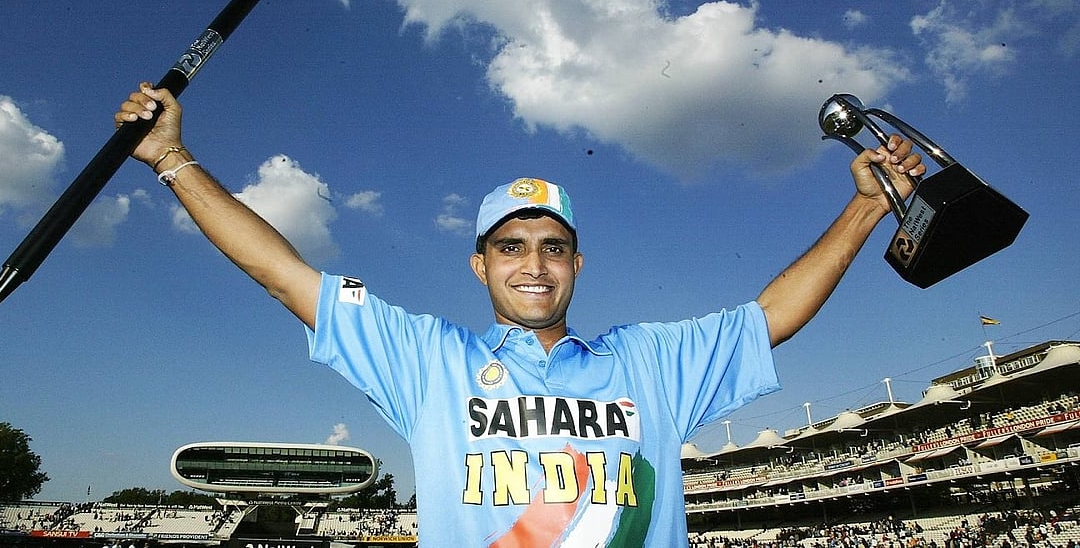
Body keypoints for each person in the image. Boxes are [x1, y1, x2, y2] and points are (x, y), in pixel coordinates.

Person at [115, 81, 925, 546]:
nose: (533, 263)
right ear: (479, 263)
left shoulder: (648, 358)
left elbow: (772, 313)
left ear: (576, 263)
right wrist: (172, 159)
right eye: (510, 246)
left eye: (551, 246)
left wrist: (864, 209)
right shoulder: (425, 356)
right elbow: (280, 271)